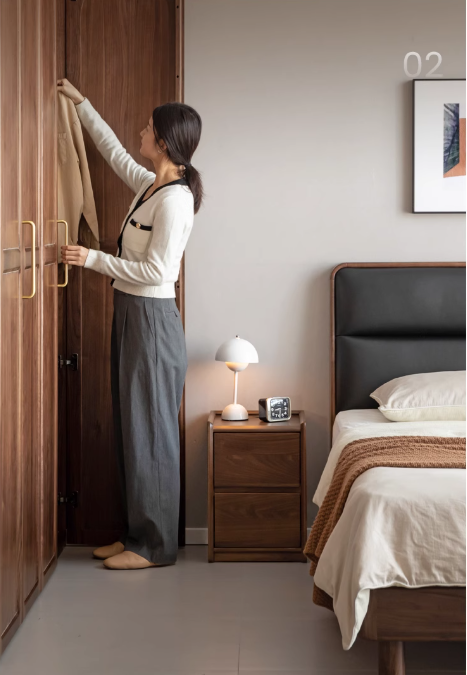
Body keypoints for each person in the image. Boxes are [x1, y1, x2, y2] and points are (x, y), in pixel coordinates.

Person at [58, 78, 203, 570]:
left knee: (152, 432)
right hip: (130, 314)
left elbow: (159, 273)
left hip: (153, 321)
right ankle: (136, 533)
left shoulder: (176, 200)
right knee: (130, 425)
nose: (140, 133)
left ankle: (156, 546)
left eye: (147, 128)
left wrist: (94, 260)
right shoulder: (151, 184)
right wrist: (82, 106)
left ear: (164, 141)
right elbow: (115, 153)